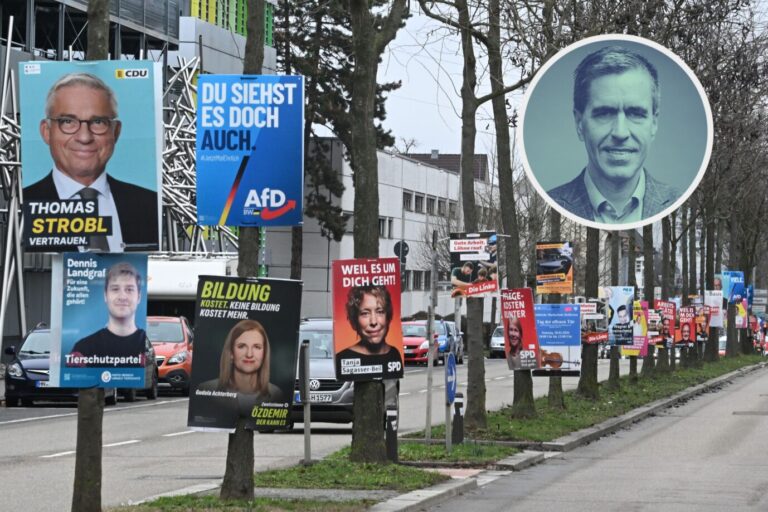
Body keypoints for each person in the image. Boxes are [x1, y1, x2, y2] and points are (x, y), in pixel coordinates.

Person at [23, 72, 158, 252]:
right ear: (46, 131)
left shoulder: (149, 204)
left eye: (98, 122)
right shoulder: (23, 204)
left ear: (115, 132)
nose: (85, 137)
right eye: (68, 121)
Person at [547, 46, 678, 224]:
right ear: (579, 123)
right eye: (604, 113)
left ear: (654, 123)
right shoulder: (552, 204)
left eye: (635, 113)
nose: (620, 132)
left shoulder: (678, 202)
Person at [65, 262, 147, 367]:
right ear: (105, 295)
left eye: (129, 289)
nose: (122, 296)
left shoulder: (146, 348)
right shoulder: (82, 350)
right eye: (115, 289)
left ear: (139, 297)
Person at [197, 319, 284, 403]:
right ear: (231, 353)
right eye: (242, 346)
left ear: (264, 353)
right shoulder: (206, 389)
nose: (249, 354)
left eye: (257, 347)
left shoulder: (275, 394)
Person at [336, 285, 402, 379]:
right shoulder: (341, 359)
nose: (374, 322)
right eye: (365, 313)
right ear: (354, 320)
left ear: (388, 317)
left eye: (380, 311)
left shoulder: (394, 354)